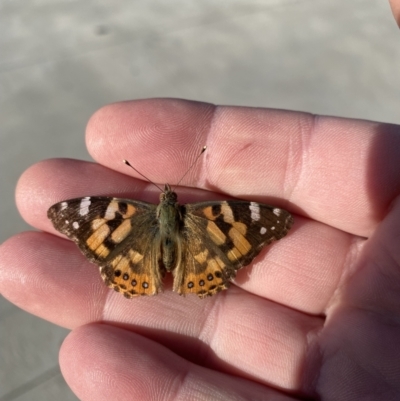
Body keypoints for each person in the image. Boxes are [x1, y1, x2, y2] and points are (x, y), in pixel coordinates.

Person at [1, 7, 400, 400]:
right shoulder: (212, 217)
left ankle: (145, 276)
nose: (167, 199)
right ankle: (190, 276)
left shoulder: (123, 212)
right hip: (203, 260)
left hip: (134, 256)